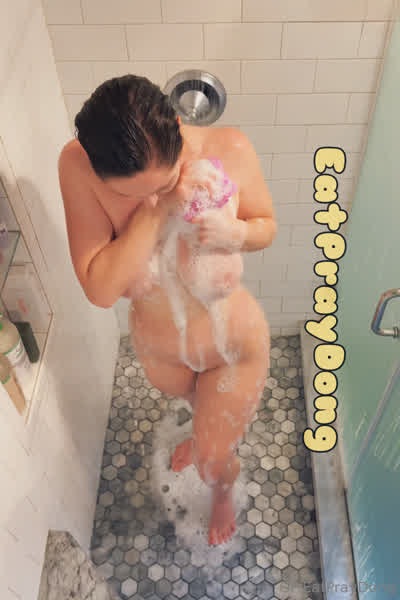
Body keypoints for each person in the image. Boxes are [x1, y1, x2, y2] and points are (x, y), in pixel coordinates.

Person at [58, 74, 277, 546]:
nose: (152, 198)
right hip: (162, 351)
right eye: (132, 196)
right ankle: (203, 432)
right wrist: (159, 210)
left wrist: (238, 234)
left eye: (167, 180)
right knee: (203, 415)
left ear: (178, 126)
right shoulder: (78, 165)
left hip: (230, 347)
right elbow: (101, 288)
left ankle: (221, 488)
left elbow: (267, 224)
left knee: (213, 459)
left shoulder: (229, 148)